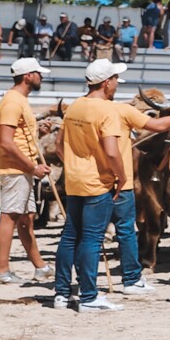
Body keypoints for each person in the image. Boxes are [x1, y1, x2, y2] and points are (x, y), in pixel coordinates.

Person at [52, 59, 134, 313]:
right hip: (97, 183)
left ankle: (62, 294)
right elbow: (111, 152)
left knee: (69, 237)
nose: (117, 83)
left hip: (74, 180)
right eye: (116, 79)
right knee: (91, 238)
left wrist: (74, 165)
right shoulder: (107, 110)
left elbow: (58, 145)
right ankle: (88, 297)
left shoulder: (75, 106)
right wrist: (121, 177)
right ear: (107, 82)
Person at [105, 89, 170, 297]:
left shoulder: (87, 109)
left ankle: (73, 287)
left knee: (89, 234)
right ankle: (132, 276)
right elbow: (155, 127)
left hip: (95, 182)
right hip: (121, 179)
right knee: (126, 227)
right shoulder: (120, 114)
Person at [0, 57, 53, 285]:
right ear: (28, 76)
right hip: (15, 169)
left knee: (26, 217)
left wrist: (38, 130)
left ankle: (40, 267)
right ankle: (2, 270)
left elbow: (17, 136)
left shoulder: (18, 100)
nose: (41, 77)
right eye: (38, 73)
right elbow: (6, 142)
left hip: (20, 168)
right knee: (10, 216)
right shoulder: (12, 102)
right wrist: (32, 167)